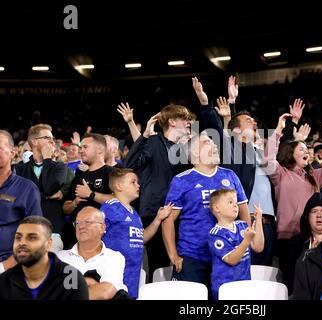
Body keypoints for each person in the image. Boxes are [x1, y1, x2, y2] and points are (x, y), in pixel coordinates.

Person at [194, 76, 278, 267]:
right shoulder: (228, 147)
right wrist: (206, 103)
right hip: (235, 221)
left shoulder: (253, 151)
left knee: (262, 273)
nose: (254, 122)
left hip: (259, 221)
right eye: (249, 120)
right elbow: (221, 130)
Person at [263, 112, 322, 291]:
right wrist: (278, 130)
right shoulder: (280, 175)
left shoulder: (314, 176)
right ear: (290, 154)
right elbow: (267, 159)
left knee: (316, 283)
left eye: (307, 149)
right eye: (301, 149)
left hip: (312, 238)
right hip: (288, 239)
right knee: (292, 284)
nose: (306, 151)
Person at [162, 132, 249, 293]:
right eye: (207, 143)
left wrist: (247, 242)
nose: (215, 145)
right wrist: (173, 255)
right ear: (195, 152)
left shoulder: (229, 176)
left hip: (228, 255)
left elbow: (244, 211)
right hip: (193, 256)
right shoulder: (181, 180)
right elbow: (167, 219)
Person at [123, 103, 193, 282]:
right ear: (171, 121)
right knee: (160, 266)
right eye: (184, 119)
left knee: (182, 265)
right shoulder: (153, 142)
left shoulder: (183, 150)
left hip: (180, 215)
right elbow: (129, 166)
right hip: (156, 213)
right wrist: (144, 135)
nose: (188, 122)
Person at [101, 168, 172, 298]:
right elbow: (95, 236)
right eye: (133, 182)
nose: (138, 185)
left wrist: (158, 219)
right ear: (118, 186)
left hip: (132, 278)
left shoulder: (134, 213)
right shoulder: (109, 207)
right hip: (112, 278)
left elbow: (142, 238)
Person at [0, 216, 88, 300]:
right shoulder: (4, 281)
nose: (22, 242)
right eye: (18, 237)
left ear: (49, 243)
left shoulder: (71, 278)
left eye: (32, 238)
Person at [57, 206, 128, 300]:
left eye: (87, 222)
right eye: (77, 223)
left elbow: (105, 292)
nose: (81, 226)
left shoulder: (114, 257)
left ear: (102, 228)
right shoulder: (60, 258)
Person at [15, 124, 68, 247]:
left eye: (52, 138)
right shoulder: (19, 169)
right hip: (25, 231)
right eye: (47, 137)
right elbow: (21, 198)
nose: (52, 141)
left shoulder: (59, 167)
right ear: (34, 141)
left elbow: (48, 187)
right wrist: (46, 197)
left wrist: (48, 159)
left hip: (52, 232)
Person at [208, 189, 264, 300]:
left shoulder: (242, 225)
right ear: (216, 208)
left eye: (236, 202)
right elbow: (231, 260)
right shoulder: (215, 234)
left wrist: (258, 220)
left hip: (245, 285)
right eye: (230, 202)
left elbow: (258, 247)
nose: (235, 205)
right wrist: (246, 240)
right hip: (225, 289)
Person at [0, 130, 42, 274]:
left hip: (12, 266)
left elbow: (36, 233)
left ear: (13, 153)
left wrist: (6, 265)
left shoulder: (27, 189)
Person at [62, 133, 114, 248]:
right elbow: (65, 208)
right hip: (75, 239)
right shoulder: (79, 177)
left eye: (85, 147)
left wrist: (91, 194)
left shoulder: (112, 173)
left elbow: (120, 201)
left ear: (100, 150)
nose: (81, 151)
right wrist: (75, 202)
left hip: (104, 240)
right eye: (80, 148)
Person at [295, 192, 322, 260]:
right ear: (307, 217)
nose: (319, 215)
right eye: (314, 211)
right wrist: (309, 256)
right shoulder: (295, 244)